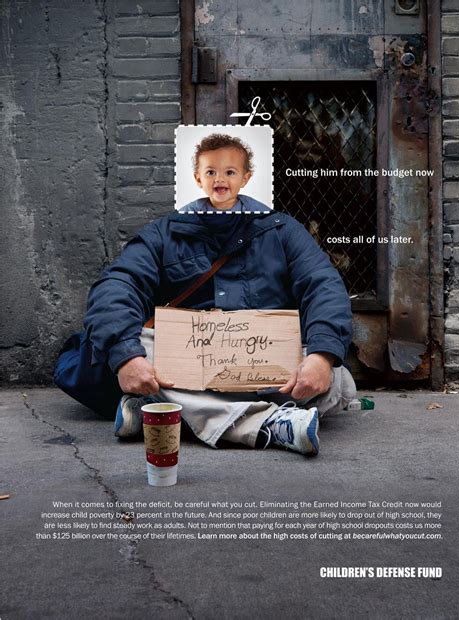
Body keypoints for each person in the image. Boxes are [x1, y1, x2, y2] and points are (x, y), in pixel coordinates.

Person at [63, 133, 356, 457]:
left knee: (337, 378)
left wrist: (321, 357)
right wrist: (127, 355)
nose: (220, 180)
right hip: (186, 366)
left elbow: (324, 285)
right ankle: (269, 425)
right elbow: (117, 285)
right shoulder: (165, 233)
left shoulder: (282, 231)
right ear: (196, 178)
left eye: (231, 172)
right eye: (211, 171)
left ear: (246, 178)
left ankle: (155, 410)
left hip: (262, 366)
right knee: (138, 350)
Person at [178, 133, 270, 214]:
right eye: (211, 172)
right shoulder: (189, 212)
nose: (219, 179)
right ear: (198, 179)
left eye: (229, 172)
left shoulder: (257, 211)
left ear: (244, 179)